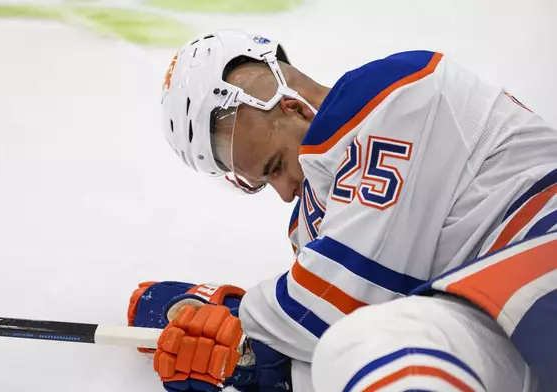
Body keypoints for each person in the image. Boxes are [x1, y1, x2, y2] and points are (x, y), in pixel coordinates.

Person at [129, 29, 557, 391]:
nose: (282, 193)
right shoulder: (314, 228)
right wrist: (244, 360)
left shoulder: (393, 93)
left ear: (293, 105)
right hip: (505, 324)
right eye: (262, 182)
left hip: (541, 255)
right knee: (359, 349)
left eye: (276, 166)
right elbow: (330, 334)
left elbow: (337, 303)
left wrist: (229, 318)